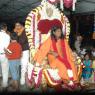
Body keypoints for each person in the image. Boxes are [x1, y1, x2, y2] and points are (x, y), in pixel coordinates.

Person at [14, 22, 29, 86]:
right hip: (19, 50)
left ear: (22, 26)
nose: (17, 26)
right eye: (16, 25)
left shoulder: (25, 31)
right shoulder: (17, 32)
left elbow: (21, 41)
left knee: (24, 65)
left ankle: (22, 79)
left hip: (24, 50)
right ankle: (25, 78)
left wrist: (16, 36)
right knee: (19, 65)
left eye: (18, 25)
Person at [0, 23, 10, 90]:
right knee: (5, 70)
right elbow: (6, 48)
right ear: (5, 28)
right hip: (3, 54)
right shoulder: (7, 36)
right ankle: (4, 85)